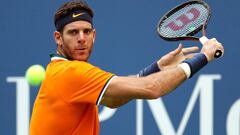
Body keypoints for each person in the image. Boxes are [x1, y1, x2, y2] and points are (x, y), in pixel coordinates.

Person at [29, 0, 224, 135]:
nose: (81, 38)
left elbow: (114, 100)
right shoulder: (69, 73)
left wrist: (157, 68)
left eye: (86, 31)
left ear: (94, 35)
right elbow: (152, 89)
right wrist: (204, 57)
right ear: (58, 38)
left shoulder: (65, 72)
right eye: (73, 32)